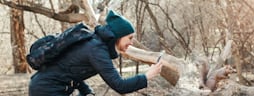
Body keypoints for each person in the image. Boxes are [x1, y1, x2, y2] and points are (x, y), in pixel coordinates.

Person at [29, 10, 163, 96]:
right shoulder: (96, 50)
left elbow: (70, 71)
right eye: (130, 38)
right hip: (46, 90)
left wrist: (87, 92)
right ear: (118, 35)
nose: (131, 43)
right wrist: (147, 76)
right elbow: (120, 86)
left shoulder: (95, 45)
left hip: (45, 87)